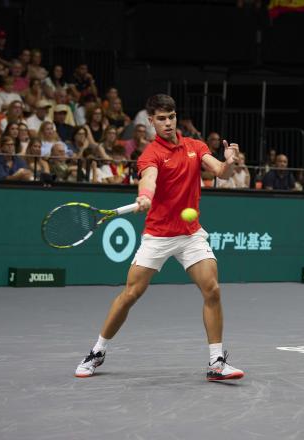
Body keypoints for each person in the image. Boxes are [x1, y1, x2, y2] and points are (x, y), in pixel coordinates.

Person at [74, 94, 244, 382]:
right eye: (161, 119)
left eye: (172, 117)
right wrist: (145, 196)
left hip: (190, 235)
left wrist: (229, 161)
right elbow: (148, 179)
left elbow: (220, 173)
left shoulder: (195, 146)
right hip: (158, 235)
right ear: (151, 121)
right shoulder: (150, 154)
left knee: (212, 289)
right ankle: (97, 351)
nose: (168, 123)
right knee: (131, 294)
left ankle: (216, 362)